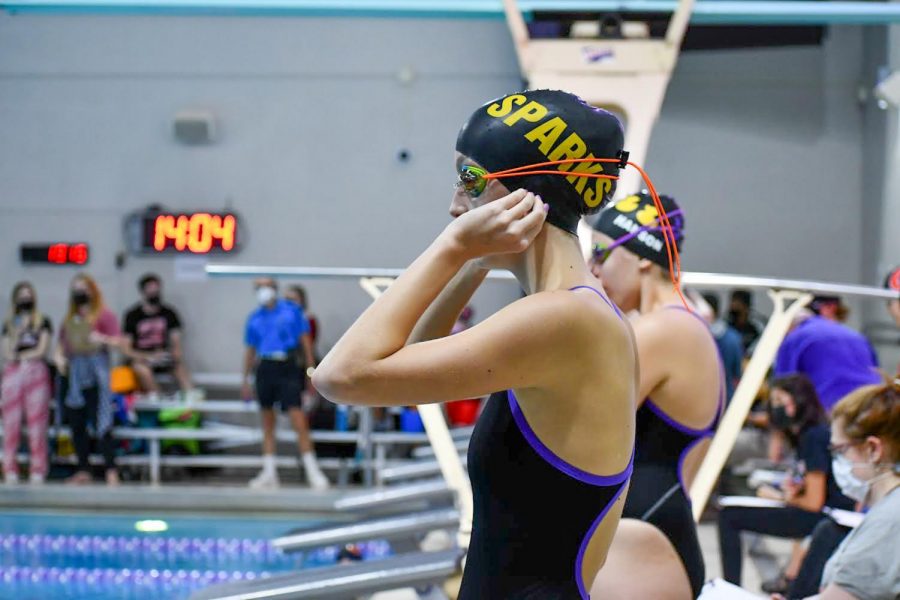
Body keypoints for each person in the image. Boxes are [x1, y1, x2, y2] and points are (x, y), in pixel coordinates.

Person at [314, 89, 642, 599]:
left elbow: (340, 376)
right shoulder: (571, 309)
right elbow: (413, 373)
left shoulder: (563, 318)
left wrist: (454, 246)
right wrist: (474, 262)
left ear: (526, 193)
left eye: (469, 181)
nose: (454, 206)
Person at [589, 192, 723, 599]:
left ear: (642, 257)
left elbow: (573, 429)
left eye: (600, 253)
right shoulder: (678, 326)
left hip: (643, 541)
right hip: (649, 534)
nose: (593, 269)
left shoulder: (664, 331)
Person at [718, 374, 854, 588]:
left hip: (824, 517)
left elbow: (813, 502)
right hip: (822, 514)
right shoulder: (807, 435)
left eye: (780, 401)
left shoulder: (813, 437)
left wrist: (779, 496)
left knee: (729, 516)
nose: (774, 408)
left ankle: (730, 588)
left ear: (799, 401)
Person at [774, 376, 900, 600]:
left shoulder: (889, 520)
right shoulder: (887, 510)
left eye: (840, 451)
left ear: (873, 449)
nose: (837, 462)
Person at [242, 278, 328, 490]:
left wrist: (310, 373)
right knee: (268, 423)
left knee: (298, 419)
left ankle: (313, 471)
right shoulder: (254, 318)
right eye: (259, 287)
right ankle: (269, 472)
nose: (263, 291)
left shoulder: (291, 312)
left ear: (274, 289)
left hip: (287, 367)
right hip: (265, 368)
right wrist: (245, 379)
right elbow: (250, 351)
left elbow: (306, 344)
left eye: (266, 286)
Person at [54, 274, 123, 485]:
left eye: (83, 289)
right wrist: (58, 359)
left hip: (97, 377)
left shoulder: (104, 316)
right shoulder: (69, 320)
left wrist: (101, 339)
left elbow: (119, 342)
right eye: (76, 290)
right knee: (77, 423)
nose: (80, 294)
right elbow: (62, 345)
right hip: (76, 376)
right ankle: (83, 468)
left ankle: (111, 469)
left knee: (101, 422)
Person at [774, 310, 881, 413]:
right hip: (872, 402)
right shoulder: (855, 335)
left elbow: (783, 386)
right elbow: (876, 369)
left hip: (832, 408)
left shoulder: (794, 338)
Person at [1, 282, 52, 484]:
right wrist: (19, 332)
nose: (25, 299)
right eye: (21, 295)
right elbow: (7, 353)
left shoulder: (43, 321)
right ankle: (9, 468)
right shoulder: (9, 324)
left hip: (36, 373)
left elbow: (42, 350)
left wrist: (25, 356)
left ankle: (38, 469)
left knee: (37, 424)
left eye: (28, 295)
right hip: (13, 374)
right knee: (11, 424)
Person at [121, 274, 193, 397]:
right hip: (142, 357)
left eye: (156, 288)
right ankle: (160, 399)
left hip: (163, 356)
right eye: (150, 289)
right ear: (143, 291)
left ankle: (191, 399)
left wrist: (174, 356)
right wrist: (147, 356)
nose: (154, 292)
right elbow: (126, 349)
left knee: (180, 367)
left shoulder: (169, 313)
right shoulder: (132, 315)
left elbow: (176, 342)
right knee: (141, 369)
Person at [703, 292, 744, 402]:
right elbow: (738, 373)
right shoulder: (733, 337)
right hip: (726, 399)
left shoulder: (694, 337)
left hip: (701, 400)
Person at [285, 285, 319, 359]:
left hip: (303, 357)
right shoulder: (282, 320)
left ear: (302, 300)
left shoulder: (308, 319)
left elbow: (310, 342)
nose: (290, 303)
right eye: (287, 300)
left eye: (293, 299)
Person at [728, 289, 764, 355]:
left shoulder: (756, 327)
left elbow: (761, 346)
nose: (732, 306)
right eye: (732, 302)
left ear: (746, 307)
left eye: (737, 304)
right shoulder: (726, 326)